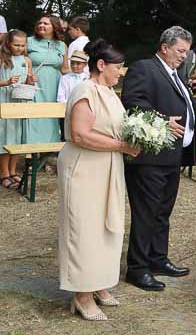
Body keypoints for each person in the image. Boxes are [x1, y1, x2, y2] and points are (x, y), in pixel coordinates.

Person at [57, 39, 139, 321]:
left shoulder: (109, 92)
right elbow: (81, 134)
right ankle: (82, 295)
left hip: (107, 165)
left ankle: (99, 283)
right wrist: (122, 147)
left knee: (107, 226)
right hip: (84, 167)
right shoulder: (85, 90)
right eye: (118, 67)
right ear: (101, 65)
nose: (121, 72)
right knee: (85, 229)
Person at [121, 26, 196, 292]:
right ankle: (137, 268)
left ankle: (157, 259)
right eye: (180, 51)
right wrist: (161, 120)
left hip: (172, 157)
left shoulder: (176, 74)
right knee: (146, 214)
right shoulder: (144, 68)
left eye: (186, 52)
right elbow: (132, 101)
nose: (184, 56)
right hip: (150, 157)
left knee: (162, 212)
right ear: (165, 47)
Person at [0, 30, 34, 190]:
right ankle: (4, 174)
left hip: (19, 102)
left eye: (22, 45)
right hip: (4, 101)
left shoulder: (27, 60)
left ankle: (13, 171)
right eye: (16, 45)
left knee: (16, 137)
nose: (20, 48)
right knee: (4, 137)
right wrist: (6, 82)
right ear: (8, 43)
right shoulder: (2, 58)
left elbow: (28, 83)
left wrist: (31, 80)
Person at [27, 15, 69, 143]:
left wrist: (83, 76)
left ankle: (49, 147)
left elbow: (65, 69)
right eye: (40, 23)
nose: (41, 25)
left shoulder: (62, 45)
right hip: (34, 83)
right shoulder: (28, 41)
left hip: (54, 85)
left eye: (45, 24)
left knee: (51, 116)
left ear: (54, 27)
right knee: (33, 115)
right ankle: (31, 148)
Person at [57, 50, 89, 140]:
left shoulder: (88, 79)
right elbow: (60, 97)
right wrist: (69, 108)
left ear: (85, 64)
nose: (74, 66)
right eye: (72, 63)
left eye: (78, 63)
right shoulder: (64, 78)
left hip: (84, 112)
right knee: (66, 134)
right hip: (67, 111)